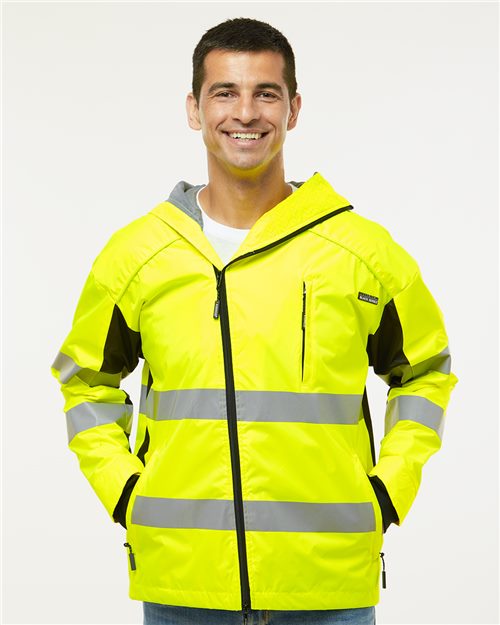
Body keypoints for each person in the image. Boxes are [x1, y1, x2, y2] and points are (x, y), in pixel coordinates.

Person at [51, 17, 457, 625]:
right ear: (194, 109)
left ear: (293, 109)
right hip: (183, 584)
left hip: (327, 587)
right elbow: (84, 381)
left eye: (266, 93)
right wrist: (127, 493)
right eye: (225, 92)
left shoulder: (360, 252)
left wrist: (387, 490)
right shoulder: (138, 256)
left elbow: (426, 372)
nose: (245, 112)